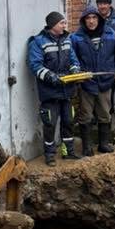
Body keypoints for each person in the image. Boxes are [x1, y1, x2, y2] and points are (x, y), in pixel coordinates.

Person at [28, 11, 81, 165]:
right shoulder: (38, 42)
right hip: (50, 93)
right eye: (62, 23)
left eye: (65, 23)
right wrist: (51, 77)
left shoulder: (67, 40)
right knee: (50, 124)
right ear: (52, 25)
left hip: (67, 91)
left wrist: (75, 69)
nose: (65, 25)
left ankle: (68, 152)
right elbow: (35, 65)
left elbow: (73, 59)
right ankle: (50, 155)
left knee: (68, 121)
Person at [70, 4, 115, 156]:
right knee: (85, 115)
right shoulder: (76, 37)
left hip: (105, 82)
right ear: (84, 20)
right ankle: (87, 147)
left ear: (99, 19)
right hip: (87, 83)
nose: (91, 21)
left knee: (105, 114)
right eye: (88, 18)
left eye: (94, 18)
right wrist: (78, 75)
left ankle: (104, 144)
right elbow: (72, 58)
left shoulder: (110, 34)